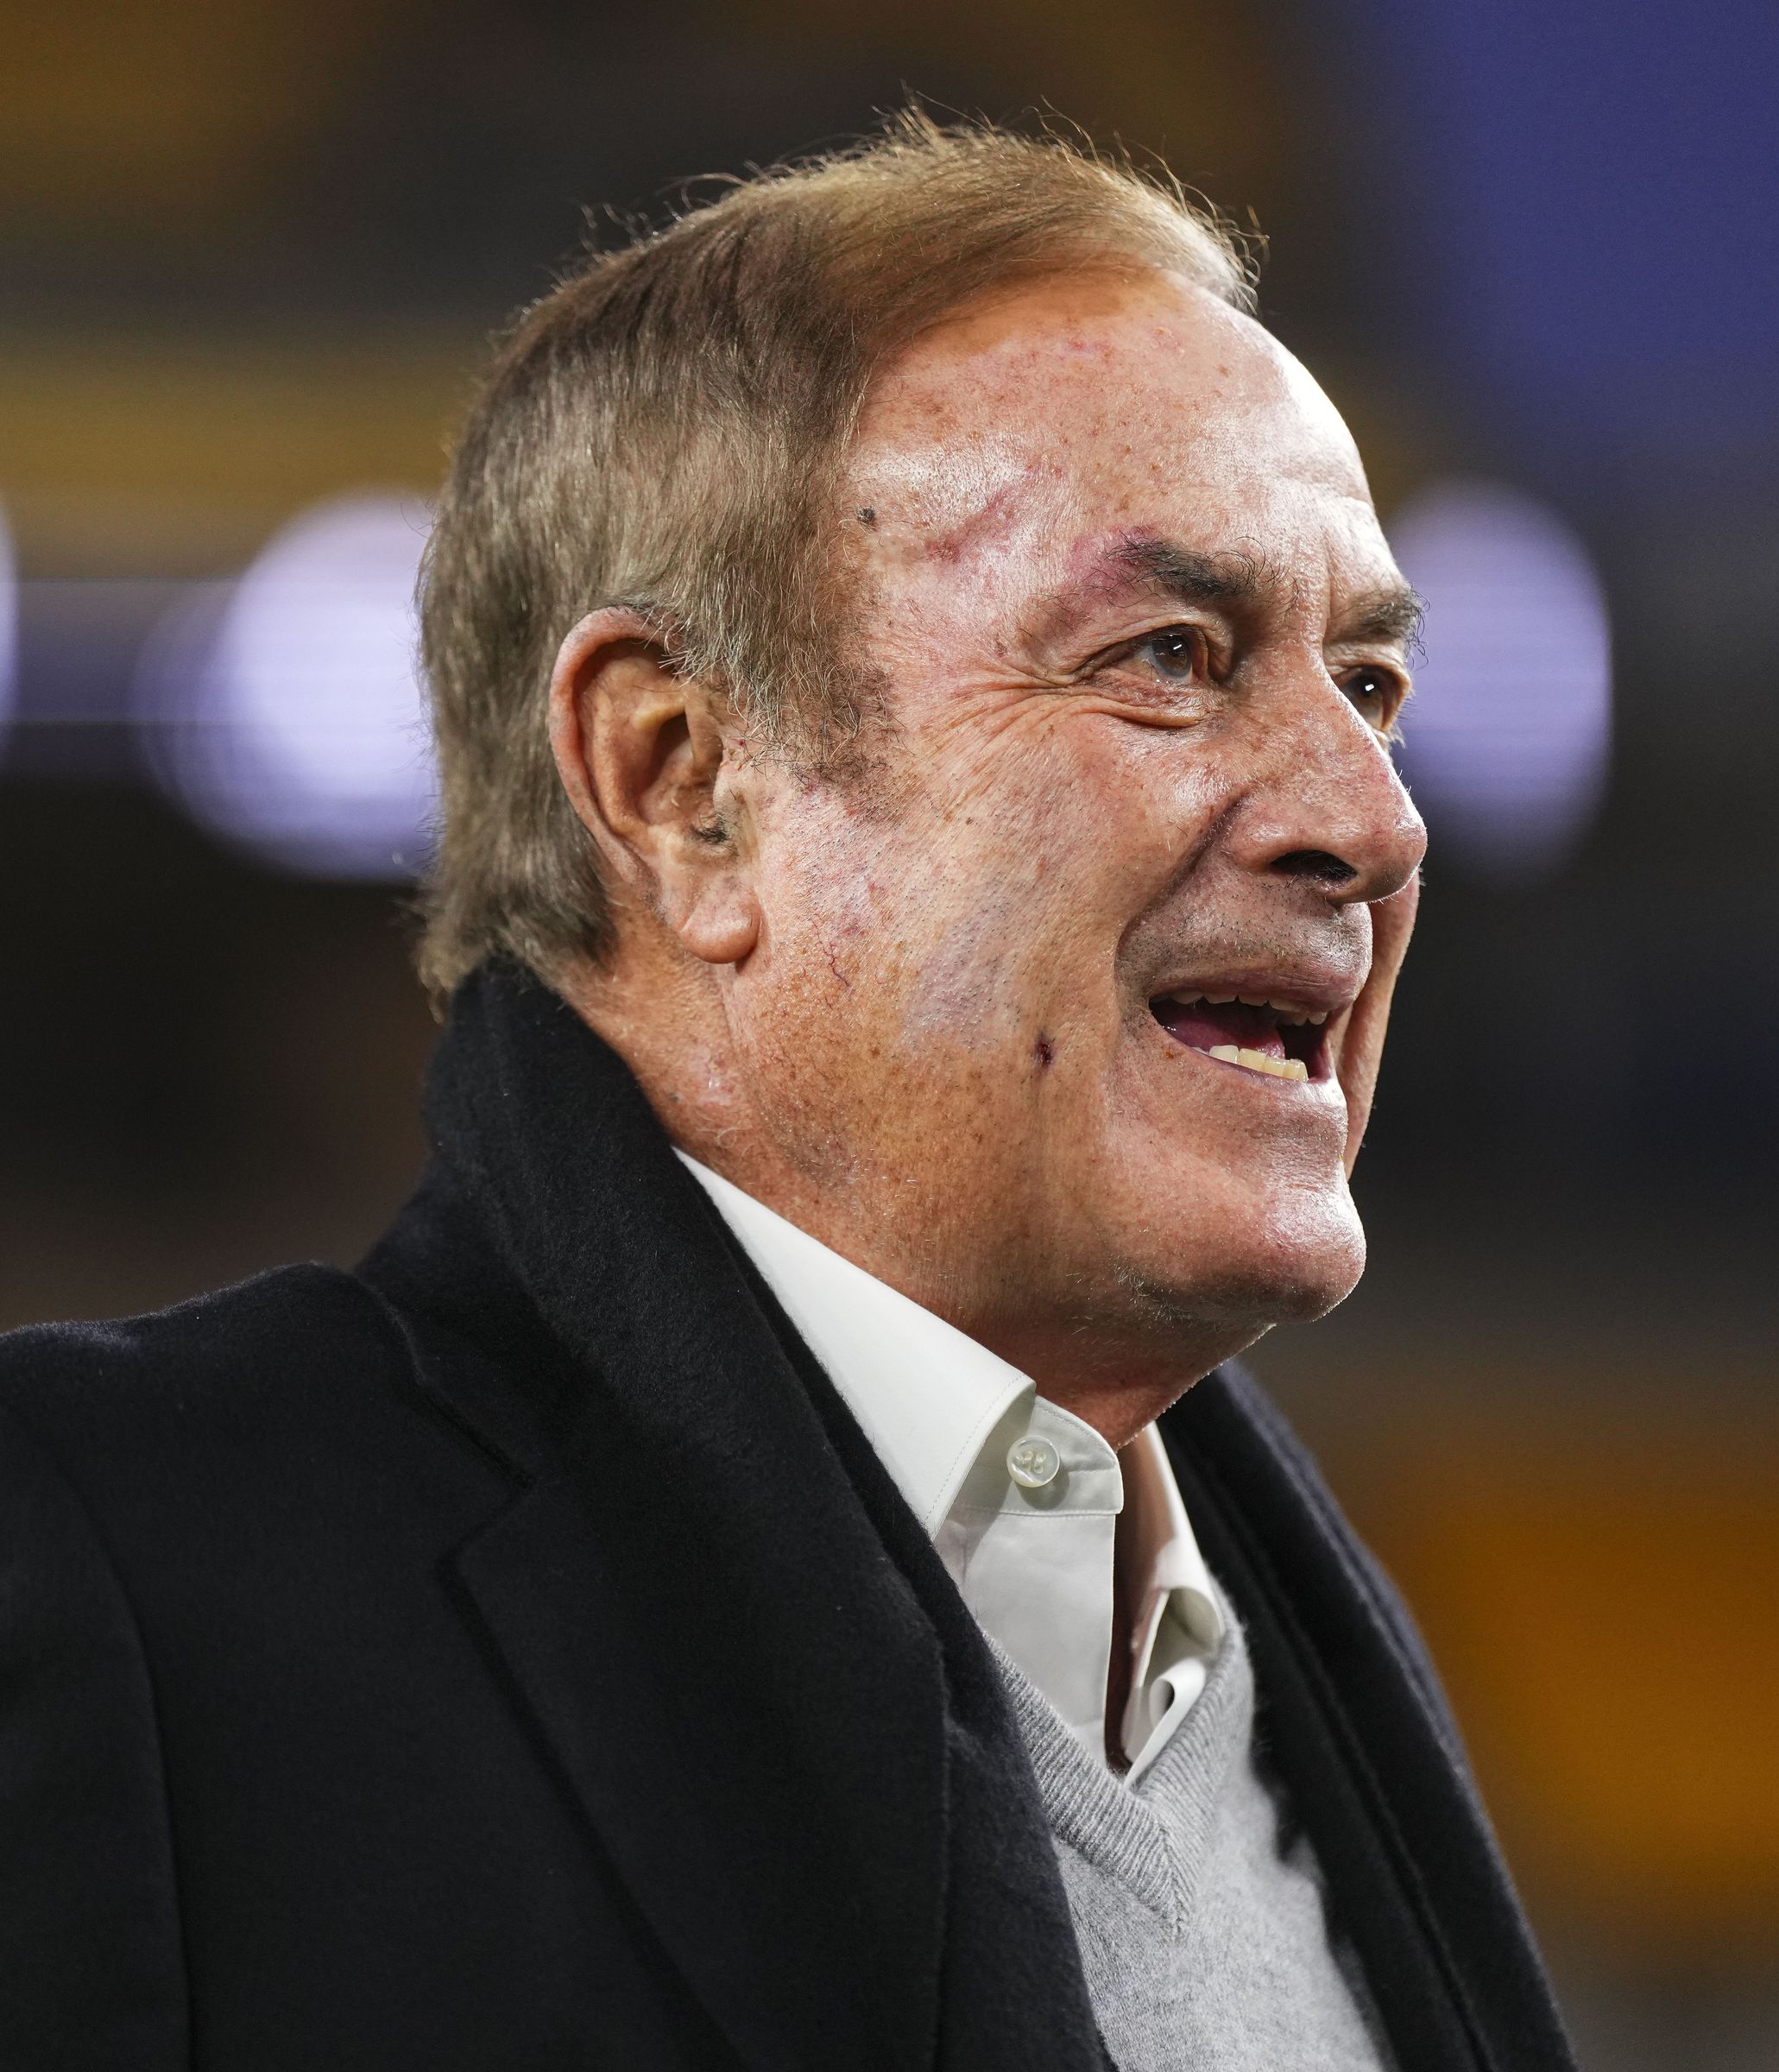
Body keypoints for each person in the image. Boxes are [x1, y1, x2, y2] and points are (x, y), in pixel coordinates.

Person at [0, 115, 1574, 2071]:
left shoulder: (1299, 1675)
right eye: (1172, 655)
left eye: (1369, 684)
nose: (1373, 816)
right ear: (680, 782)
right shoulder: (107, 1569)